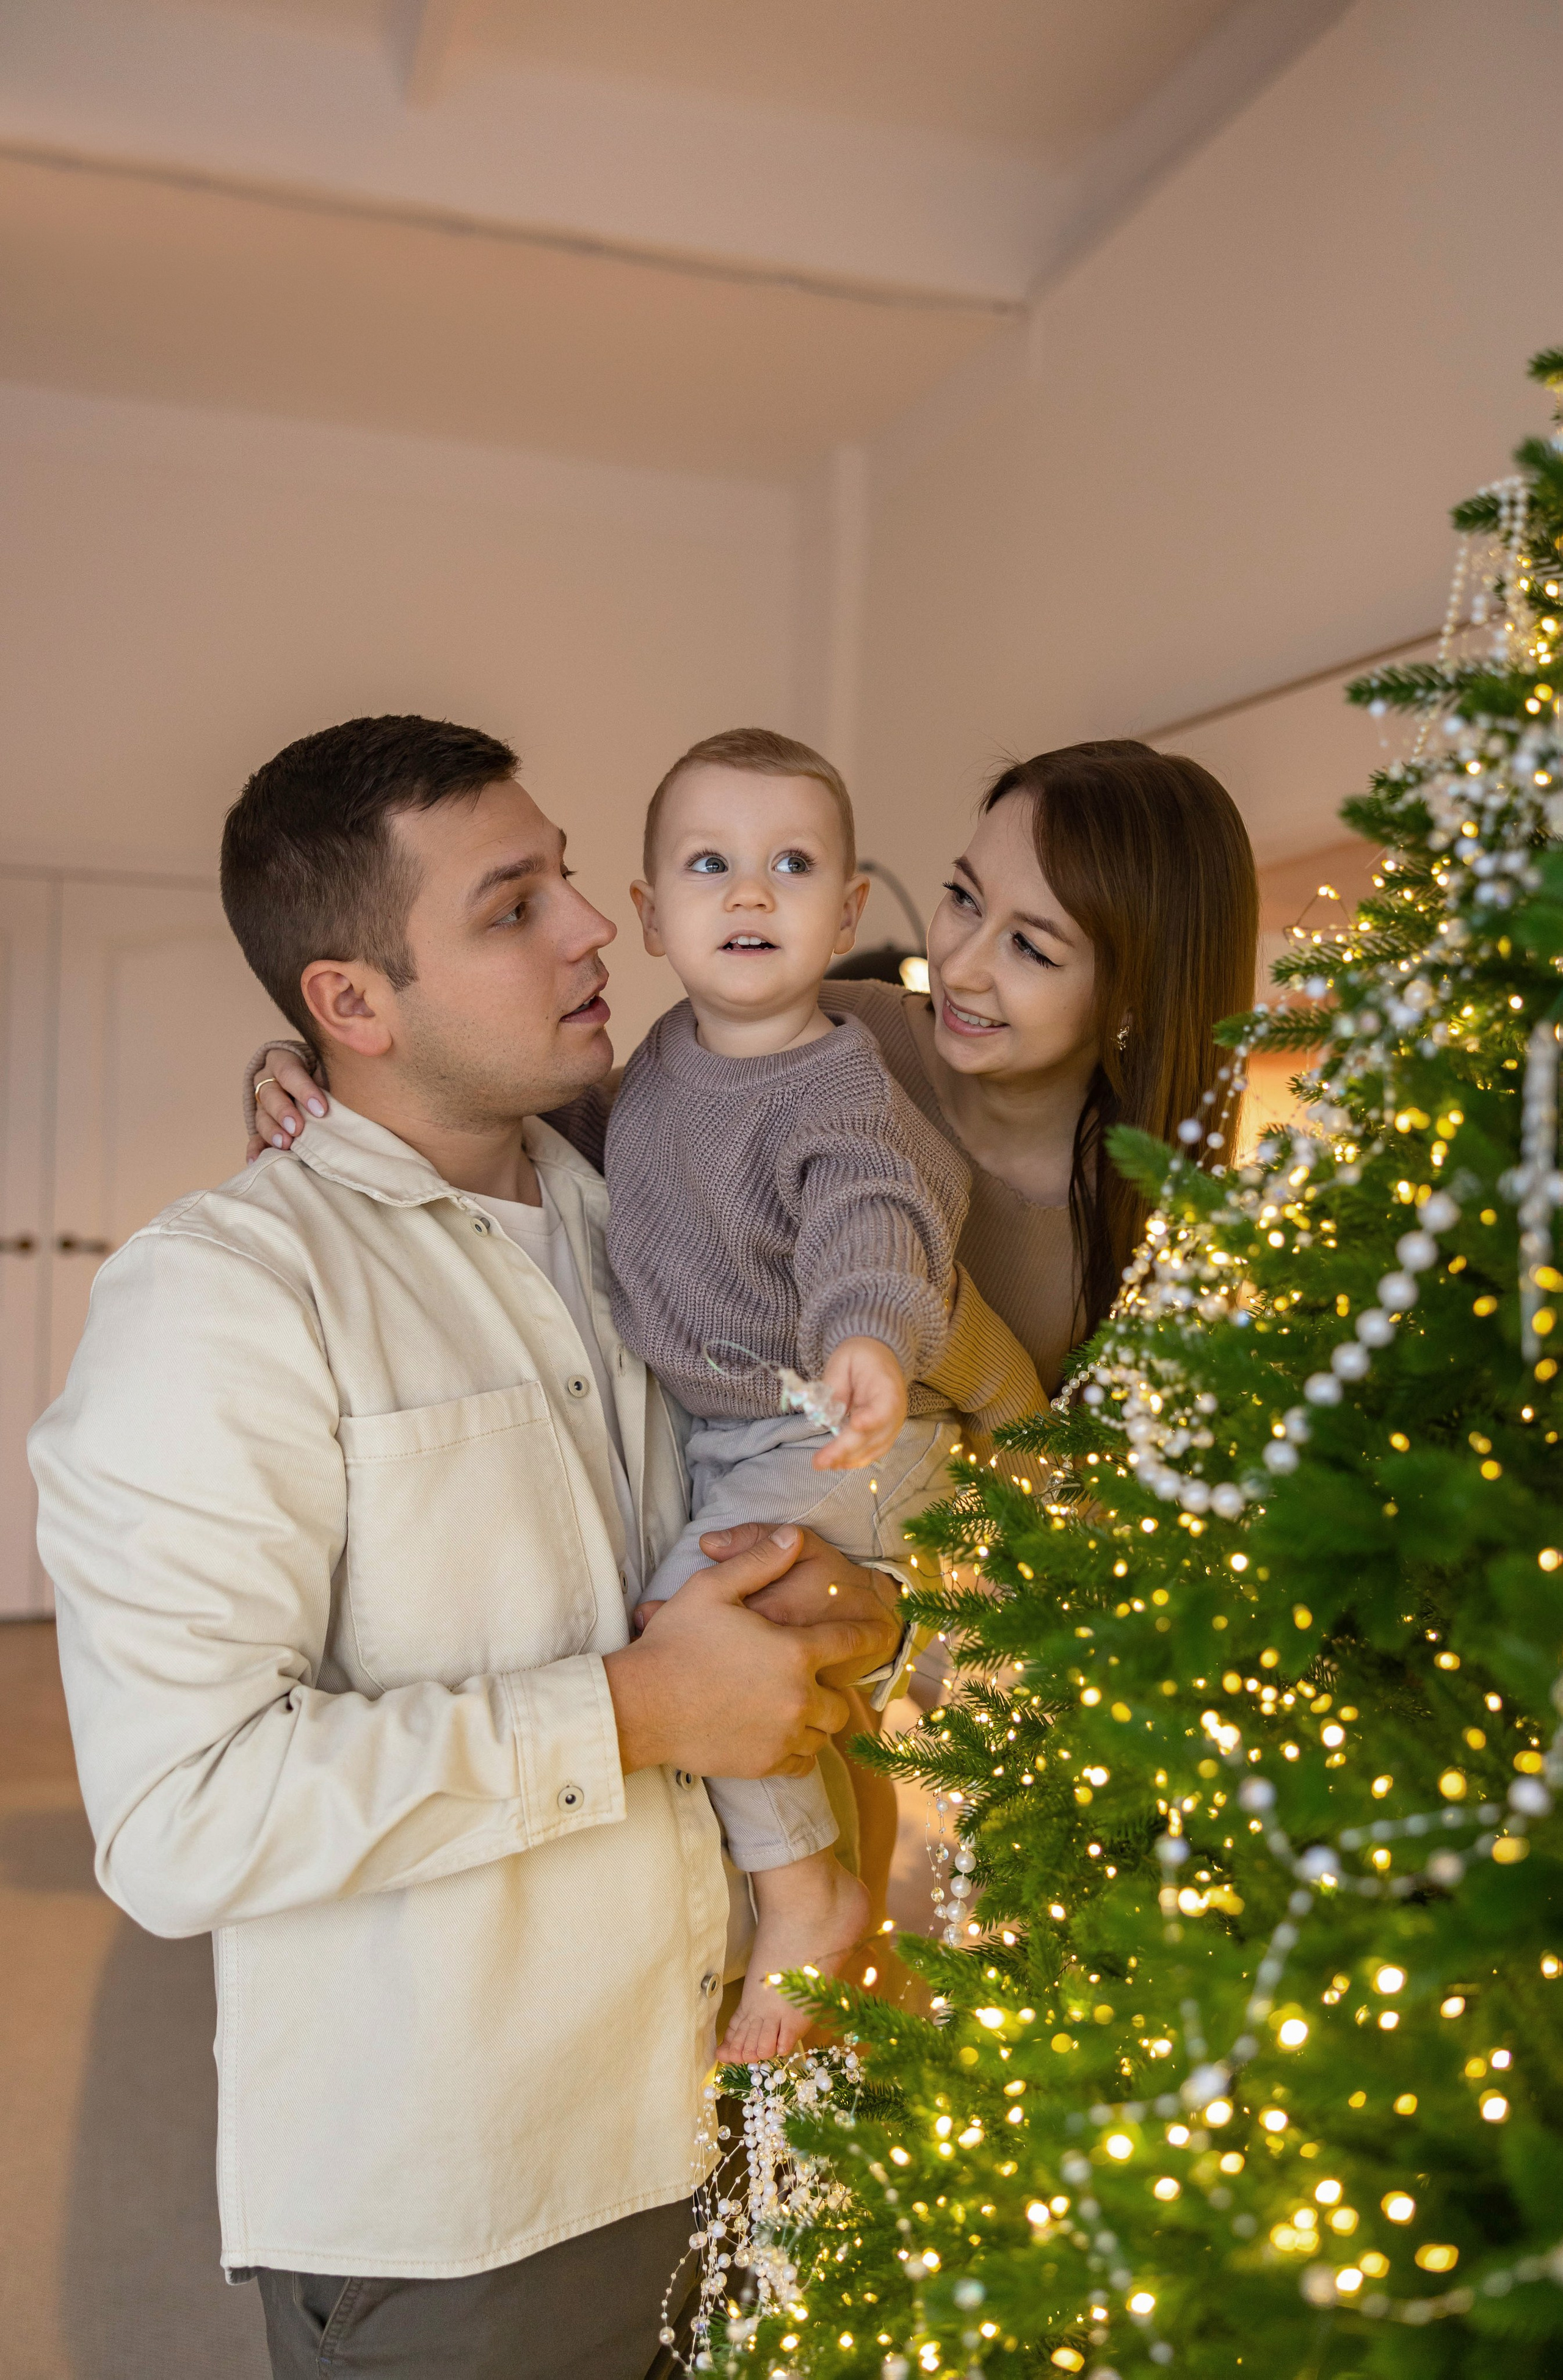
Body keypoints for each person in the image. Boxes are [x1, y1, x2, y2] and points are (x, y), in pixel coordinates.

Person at [29, 716, 907, 2380]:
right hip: (483, 2200)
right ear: (350, 1005)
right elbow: (179, 1818)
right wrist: (643, 1712)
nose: (595, 926)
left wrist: (850, 1600)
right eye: (514, 906)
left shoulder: (641, 1204)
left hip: (746, 2099)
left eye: (570, 876)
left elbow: (787, 1495)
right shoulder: (220, 1296)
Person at [606, 728, 1024, 2064]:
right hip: (731, 1422)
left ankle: (809, 1891)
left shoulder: (838, 1086)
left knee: (696, 1613)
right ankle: (802, 1886)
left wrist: (869, 1336)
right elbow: (575, 1150)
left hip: (840, 1422)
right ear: (648, 911)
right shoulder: (660, 1059)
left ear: (846, 912)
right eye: (709, 864)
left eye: (790, 865)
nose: (747, 894)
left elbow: (871, 1219)